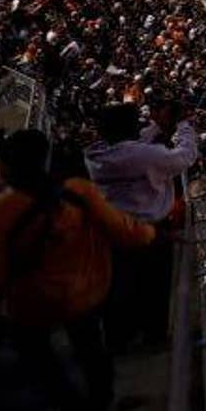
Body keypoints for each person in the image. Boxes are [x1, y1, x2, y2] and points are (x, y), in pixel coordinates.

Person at [0, 130, 156, 411]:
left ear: (8, 168)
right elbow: (124, 230)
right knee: (92, 349)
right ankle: (101, 402)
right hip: (82, 295)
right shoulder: (78, 192)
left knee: (45, 366)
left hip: (28, 305)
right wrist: (153, 234)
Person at [85, 102, 198, 346]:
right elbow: (185, 156)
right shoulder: (143, 156)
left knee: (119, 288)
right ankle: (153, 337)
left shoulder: (97, 155)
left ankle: (119, 338)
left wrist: (158, 125)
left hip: (114, 231)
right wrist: (183, 126)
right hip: (149, 234)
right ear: (130, 127)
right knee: (153, 288)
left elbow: (132, 145)